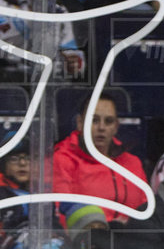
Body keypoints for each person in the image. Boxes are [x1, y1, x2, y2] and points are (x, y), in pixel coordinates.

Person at [52, 90, 148, 225]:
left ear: (116, 127)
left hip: (131, 240)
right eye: (94, 120)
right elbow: (61, 213)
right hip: (88, 240)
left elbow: (146, 210)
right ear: (80, 123)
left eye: (108, 121)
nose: (101, 127)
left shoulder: (132, 162)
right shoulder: (62, 159)